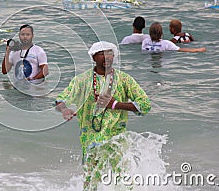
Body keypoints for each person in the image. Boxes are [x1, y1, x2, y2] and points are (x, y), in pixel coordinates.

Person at [55, 41, 151, 189]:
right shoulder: (81, 81)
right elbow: (61, 99)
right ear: (93, 57)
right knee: (91, 182)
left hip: (117, 138)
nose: (106, 57)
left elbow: (145, 105)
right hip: (91, 140)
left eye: (110, 53)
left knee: (124, 180)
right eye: (102, 54)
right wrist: (64, 110)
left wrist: (115, 104)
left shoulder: (124, 79)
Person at [142, 22, 206, 52]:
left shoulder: (145, 41)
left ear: (150, 33)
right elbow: (182, 50)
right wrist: (197, 50)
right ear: (161, 33)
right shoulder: (166, 43)